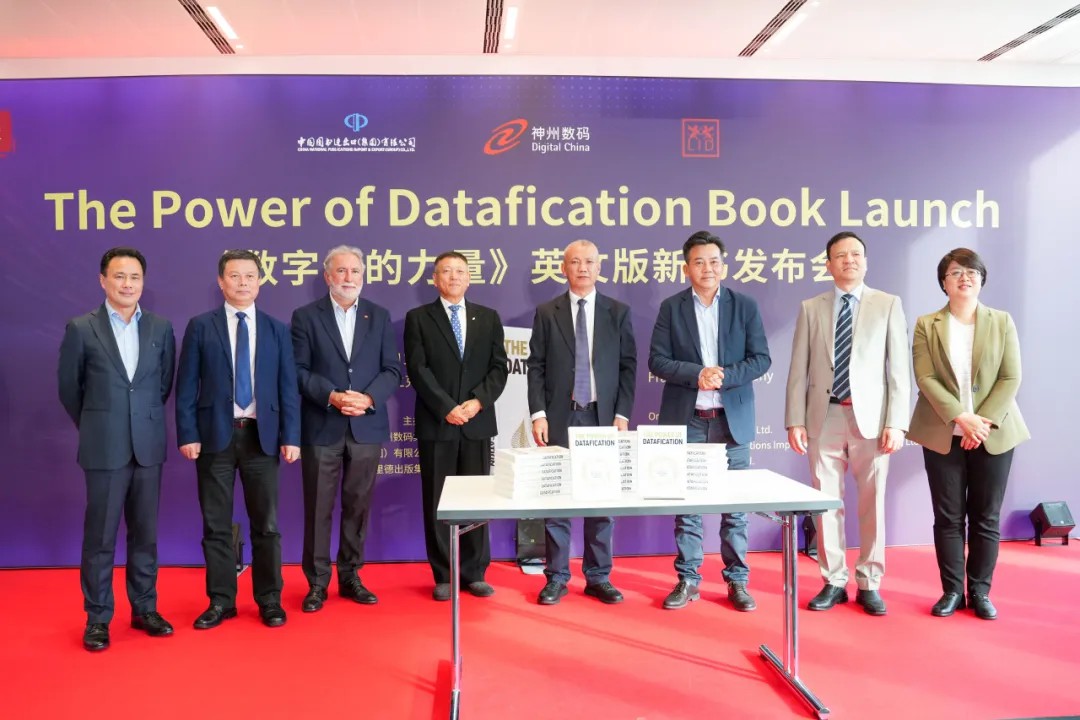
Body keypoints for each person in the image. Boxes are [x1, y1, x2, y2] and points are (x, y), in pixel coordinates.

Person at [784, 231, 909, 616]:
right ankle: (834, 580)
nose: (849, 260)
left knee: (873, 503)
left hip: (871, 420)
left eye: (856, 254)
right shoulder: (811, 307)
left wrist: (897, 422)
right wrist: (795, 420)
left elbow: (898, 370)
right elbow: (798, 369)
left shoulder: (888, 304)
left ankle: (869, 581)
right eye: (841, 255)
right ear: (828, 264)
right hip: (824, 416)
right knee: (825, 503)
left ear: (865, 262)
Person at [58, 247, 176, 652]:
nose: (128, 284)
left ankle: (145, 609)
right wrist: (99, 424)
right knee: (101, 537)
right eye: (120, 276)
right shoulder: (81, 328)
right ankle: (97, 618)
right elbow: (70, 390)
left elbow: (162, 386)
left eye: (135, 277)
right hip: (104, 447)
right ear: (103, 280)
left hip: (148, 447)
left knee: (145, 535)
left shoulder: (160, 328)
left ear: (144, 282)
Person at [175, 249, 301, 629]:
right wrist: (188, 433)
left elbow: (288, 388)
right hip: (215, 438)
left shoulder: (277, 329)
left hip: (262, 438)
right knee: (216, 525)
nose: (242, 283)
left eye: (249, 276)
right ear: (221, 282)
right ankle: (221, 601)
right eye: (234, 276)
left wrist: (292, 436)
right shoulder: (201, 326)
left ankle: (269, 599)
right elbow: (186, 387)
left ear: (260, 281)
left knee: (267, 525)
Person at [648, 231, 771, 611]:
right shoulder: (671, 308)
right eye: (699, 262)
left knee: (735, 509)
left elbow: (761, 358)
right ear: (686, 268)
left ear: (724, 266)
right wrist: (697, 374)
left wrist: (725, 376)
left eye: (714, 261)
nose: (707, 268)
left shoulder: (744, 306)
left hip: (731, 421)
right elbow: (657, 360)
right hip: (688, 421)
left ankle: (737, 582)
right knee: (688, 506)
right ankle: (688, 579)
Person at [908, 248, 1029, 620]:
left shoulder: (1001, 321)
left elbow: (1011, 376)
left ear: (982, 279)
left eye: (972, 271)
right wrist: (961, 417)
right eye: (956, 272)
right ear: (944, 282)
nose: (965, 277)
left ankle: (979, 592)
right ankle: (951, 591)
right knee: (947, 517)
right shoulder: (927, 324)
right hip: (943, 432)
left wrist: (982, 421)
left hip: (994, 433)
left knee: (986, 517)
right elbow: (925, 377)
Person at [291, 246, 401, 612]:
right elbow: (298, 371)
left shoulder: (379, 316)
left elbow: (392, 370)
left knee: (358, 506)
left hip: (366, 426)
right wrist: (332, 396)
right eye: (341, 271)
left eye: (355, 271)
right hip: (322, 425)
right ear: (327, 276)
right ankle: (317, 583)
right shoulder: (306, 316)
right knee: (318, 508)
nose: (348, 277)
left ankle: (351, 576)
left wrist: (368, 399)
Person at [527, 239, 637, 605]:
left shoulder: (617, 312)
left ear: (599, 267)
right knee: (557, 498)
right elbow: (536, 367)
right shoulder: (547, 312)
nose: (583, 268)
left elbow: (628, 367)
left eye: (589, 261)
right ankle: (557, 577)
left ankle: (598, 576)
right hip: (561, 414)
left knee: (600, 498)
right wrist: (538, 414)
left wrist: (622, 414)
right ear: (564, 268)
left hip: (602, 417)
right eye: (575, 262)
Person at [404, 251, 508, 601]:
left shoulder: (488, 317)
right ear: (435, 279)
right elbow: (418, 369)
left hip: (477, 422)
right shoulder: (419, 318)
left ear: (469, 278)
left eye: (460, 271)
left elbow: (499, 368)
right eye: (446, 271)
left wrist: (478, 401)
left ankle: (475, 572)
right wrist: (446, 406)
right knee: (438, 499)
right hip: (438, 422)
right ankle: (444, 574)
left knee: (478, 499)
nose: (453, 277)